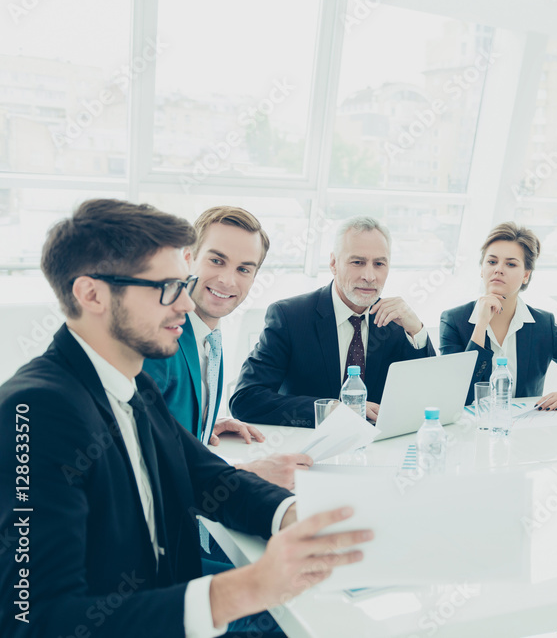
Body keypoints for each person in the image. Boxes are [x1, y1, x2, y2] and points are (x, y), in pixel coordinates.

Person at [0, 199, 370, 638]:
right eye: (166, 288)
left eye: (182, 284)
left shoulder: (133, 384)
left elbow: (208, 477)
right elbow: (36, 621)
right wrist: (246, 588)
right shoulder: (33, 411)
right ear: (92, 294)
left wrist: (297, 516)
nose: (185, 304)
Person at [144, 206, 312, 491]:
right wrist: (244, 471)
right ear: (189, 258)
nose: (228, 280)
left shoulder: (211, 335)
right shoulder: (158, 340)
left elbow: (166, 422)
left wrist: (202, 425)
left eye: (243, 269)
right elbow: (141, 460)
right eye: (217, 260)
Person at [231, 215, 435, 427]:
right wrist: (331, 409)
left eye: (379, 264)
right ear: (333, 263)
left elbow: (430, 397)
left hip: (378, 449)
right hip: (307, 450)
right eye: (357, 262)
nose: (369, 276)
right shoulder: (289, 317)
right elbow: (246, 399)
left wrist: (417, 330)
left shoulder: (396, 322)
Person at [440, 222, 557, 409]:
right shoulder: (453, 321)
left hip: (524, 430)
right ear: (482, 270)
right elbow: (456, 394)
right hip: (468, 430)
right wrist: (481, 325)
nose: (498, 269)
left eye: (511, 264)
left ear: (526, 276)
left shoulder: (543, 325)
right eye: (491, 262)